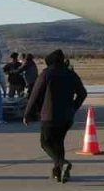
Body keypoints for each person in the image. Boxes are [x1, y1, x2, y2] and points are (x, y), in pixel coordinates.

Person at [23, 50, 88, 183]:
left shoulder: (46, 74)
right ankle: (58, 173)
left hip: (50, 116)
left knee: (45, 142)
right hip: (67, 117)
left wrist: (27, 113)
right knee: (58, 143)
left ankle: (61, 163)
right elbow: (82, 93)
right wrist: (73, 108)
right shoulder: (71, 74)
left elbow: (34, 95)